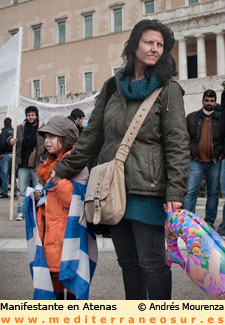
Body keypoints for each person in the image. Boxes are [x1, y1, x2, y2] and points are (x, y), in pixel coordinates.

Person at [49, 19, 190, 300]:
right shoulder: (112, 87)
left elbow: (178, 143)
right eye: (149, 42)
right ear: (134, 44)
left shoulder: (168, 90)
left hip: (148, 190)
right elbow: (92, 136)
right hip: (111, 189)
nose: (155, 48)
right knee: (127, 262)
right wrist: (63, 168)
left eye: (160, 45)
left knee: (152, 263)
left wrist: (176, 190)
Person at [35, 115, 79, 299]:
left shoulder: (73, 163)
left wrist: (58, 181)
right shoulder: (49, 162)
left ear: (66, 139)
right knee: (55, 286)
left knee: (71, 283)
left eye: (52, 136)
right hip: (51, 233)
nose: (47, 141)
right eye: (45, 137)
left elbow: (74, 200)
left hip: (66, 236)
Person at [183, 89, 224, 228]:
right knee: (191, 192)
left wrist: (222, 153)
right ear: (202, 101)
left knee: (212, 193)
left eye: (212, 101)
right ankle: (189, 222)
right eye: (207, 100)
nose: (209, 103)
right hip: (196, 161)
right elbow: (184, 137)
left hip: (214, 162)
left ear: (215, 102)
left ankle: (209, 223)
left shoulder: (220, 119)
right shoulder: (192, 118)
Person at [9, 106, 45, 221]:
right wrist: (10, 140)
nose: (30, 117)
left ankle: (37, 212)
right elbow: (11, 137)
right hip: (22, 164)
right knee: (22, 191)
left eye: (32, 115)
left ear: (36, 115)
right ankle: (21, 212)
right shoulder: (20, 128)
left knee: (37, 191)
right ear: (26, 116)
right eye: (28, 115)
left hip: (37, 164)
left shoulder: (42, 128)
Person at [0, 118, 17, 198]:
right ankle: (14, 191)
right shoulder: (15, 131)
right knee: (12, 174)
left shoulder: (4, 132)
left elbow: (2, 143)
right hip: (14, 154)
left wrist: (0, 153)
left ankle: (4, 192)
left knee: (4, 174)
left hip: (6, 155)